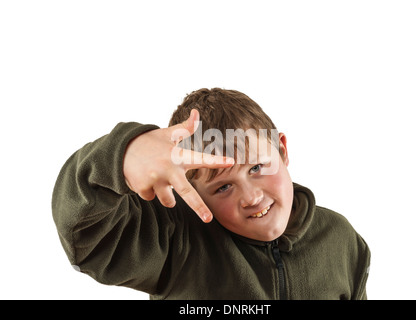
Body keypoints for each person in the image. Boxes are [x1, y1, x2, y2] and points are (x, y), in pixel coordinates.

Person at [52, 88, 370, 299]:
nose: (251, 197)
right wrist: (122, 155)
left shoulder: (340, 239)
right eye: (223, 186)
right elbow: (85, 234)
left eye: (257, 167)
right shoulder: (174, 240)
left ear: (282, 150)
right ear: (195, 194)